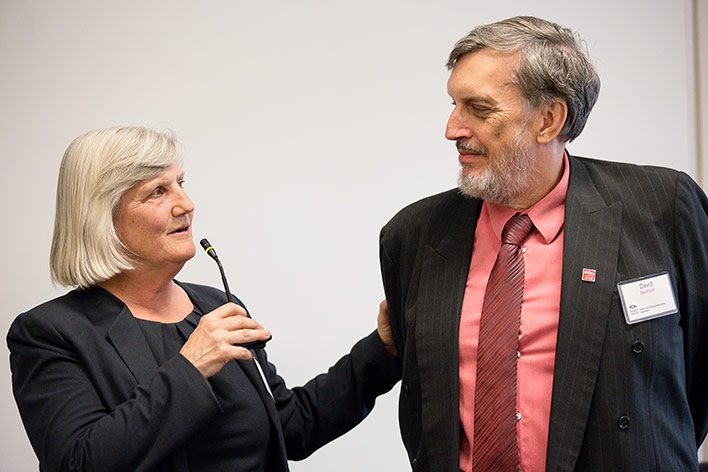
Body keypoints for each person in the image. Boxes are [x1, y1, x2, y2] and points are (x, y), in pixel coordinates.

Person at [377, 15, 708, 472]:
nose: (452, 128)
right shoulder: (413, 235)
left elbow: (698, 375)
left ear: (549, 119)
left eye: (479, 108)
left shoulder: (661, 207)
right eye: (454, 104)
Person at [7, 126, 400, 472]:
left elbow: (290, 427)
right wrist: (190, 368)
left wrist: (382, 351)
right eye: (158, 191)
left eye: (181, 183)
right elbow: (79, 462)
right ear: (102, 217)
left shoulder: (214, 306)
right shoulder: (50, 333)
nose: (186, 204)